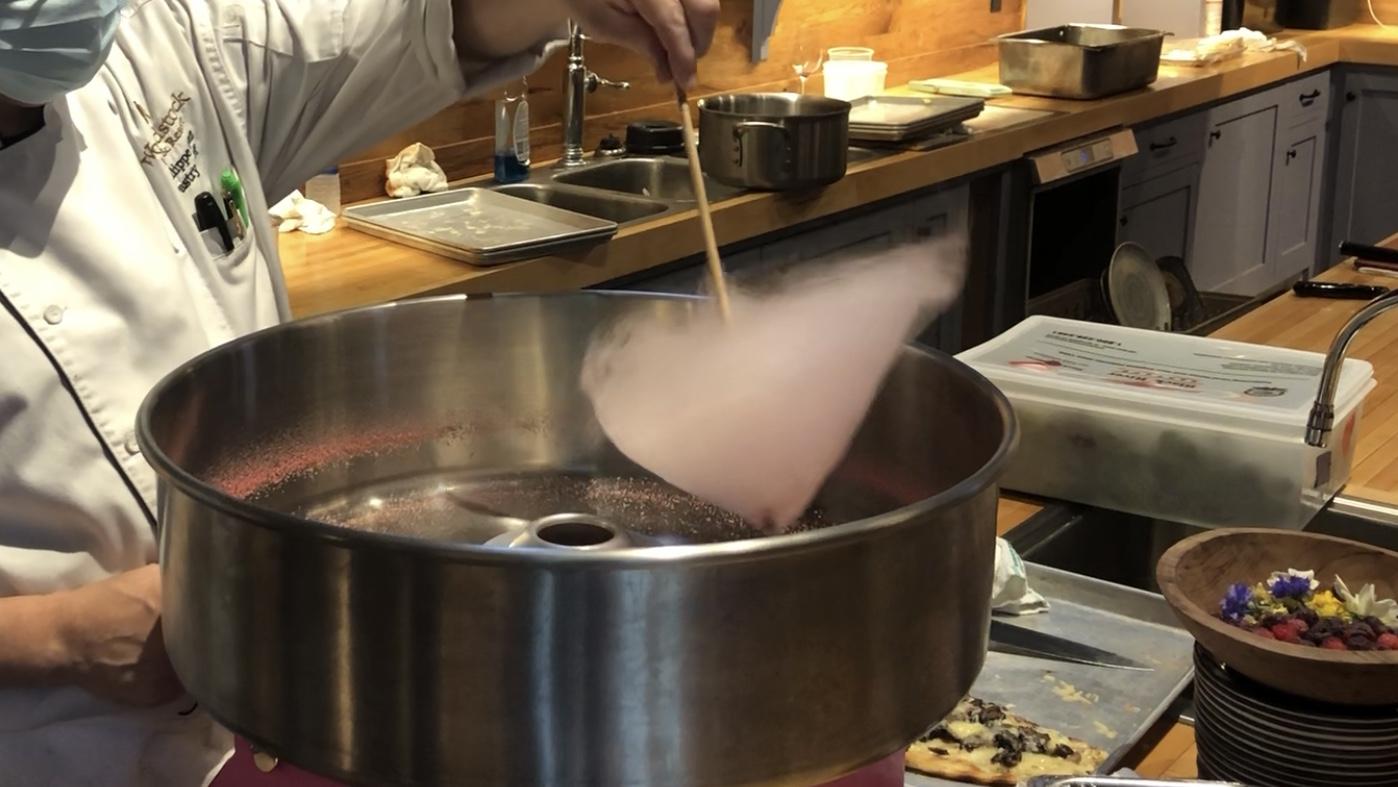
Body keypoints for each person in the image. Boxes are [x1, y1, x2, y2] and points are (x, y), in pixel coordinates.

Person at [0, 0, 717, 783]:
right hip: (57, 746)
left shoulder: (157, 49)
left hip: (267, 718)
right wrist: (57, 635)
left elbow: (429, 30)